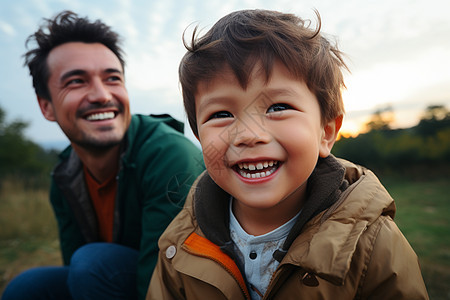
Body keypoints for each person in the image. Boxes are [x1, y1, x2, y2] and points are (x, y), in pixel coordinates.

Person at [147, 9, 429, 300]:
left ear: (326, 132)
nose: (248, 134)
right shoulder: (181, 240)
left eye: (278, 108)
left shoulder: (372, 246)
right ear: (199, 137)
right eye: (221, 114)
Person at [2, 10, 204, 300]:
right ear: (46, 107)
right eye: (76, 81)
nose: (102, 95)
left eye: (112, 78)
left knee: (92, 264)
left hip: (178, 285)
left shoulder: (169, 155)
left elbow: (169, 278)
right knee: (28, 288)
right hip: (112, 277)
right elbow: (74, 269)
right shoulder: (65, 175)